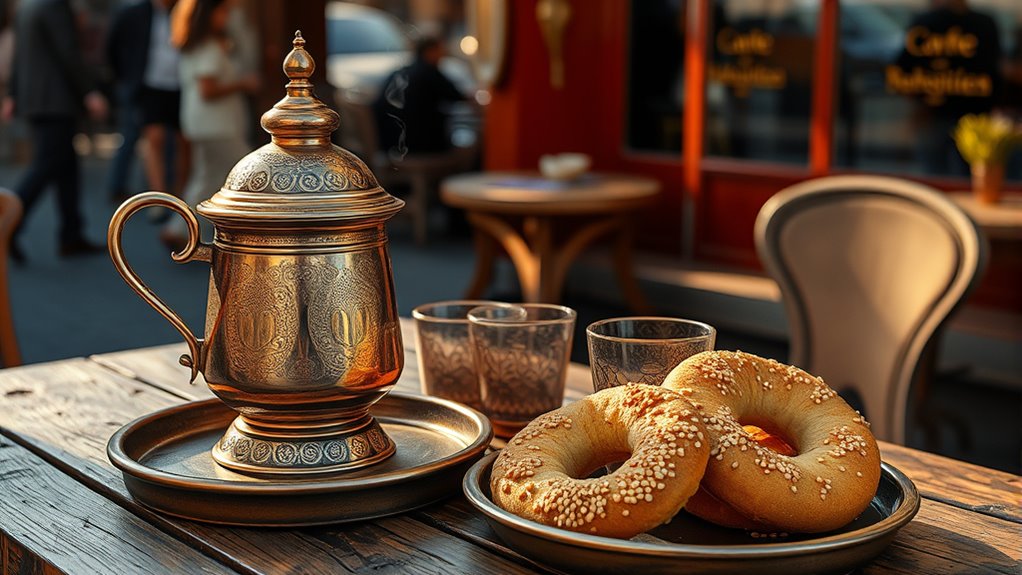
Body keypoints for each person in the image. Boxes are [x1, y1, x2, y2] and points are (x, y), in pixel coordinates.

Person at [1, 0, 108, 262]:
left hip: (38, 99)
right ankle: (7, 222)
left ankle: (71, 235)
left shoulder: (27, 5)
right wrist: (89, 91)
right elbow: (68, 52)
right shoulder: (54, 6)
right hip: (55, 101)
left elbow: (19, 54)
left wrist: (14, 93)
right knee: (47, 165)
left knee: (66, 167)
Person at [163, 0, 256, 249]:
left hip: (202, 122)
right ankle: (249, 233)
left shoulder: (194, 43)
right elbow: (208, 89)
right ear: (211, 13)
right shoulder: (208, 46)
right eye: (223, 11)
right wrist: (243, 84)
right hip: (217, 125)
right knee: (250, 173)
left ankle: (179, 228)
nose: (226, 17)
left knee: (206, 177)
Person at [892, 0, 1002, 176]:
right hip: (967, 117)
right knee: (966, 178)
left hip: (951, 118)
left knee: (937, 177)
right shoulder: (983, 23)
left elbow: (902, 69)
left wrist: (918, 104)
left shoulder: (926, 22)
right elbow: (996, 72)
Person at [106, 0, 189, 206]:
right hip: (147, 86)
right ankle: (157, 198)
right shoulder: (134, 13)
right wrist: (125, 79)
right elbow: (112, 47)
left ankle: (178, 194)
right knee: (151, 139)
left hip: (180, 86)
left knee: (182, 142)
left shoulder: (184, 10)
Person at [373, 35, 464, 157]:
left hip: (391, 143)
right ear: (431, 51)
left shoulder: (400, 72)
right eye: (440, 51)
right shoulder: (430, 73)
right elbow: (457, 96)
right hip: (418, 146)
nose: (443, 56)